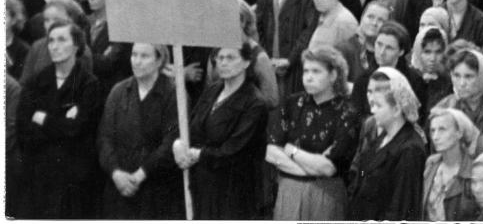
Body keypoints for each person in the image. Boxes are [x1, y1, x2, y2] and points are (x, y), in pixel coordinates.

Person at [174, 41, 270, 220]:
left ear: (246, 62)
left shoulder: (254, 103)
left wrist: (197, 155)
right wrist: (179, 145)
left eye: (231, 57)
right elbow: (193, 126)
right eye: (220, 58)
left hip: (233, 192)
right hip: (203, 186)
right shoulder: (212, 90)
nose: (223, 63)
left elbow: (234, 151)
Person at [17, 19, 102, 219]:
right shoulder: (35, 82)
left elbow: (78, 130)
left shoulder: (89, 84)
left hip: (74, 183)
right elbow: (24, 129)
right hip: (39, 178)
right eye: (51, 41)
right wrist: (62, 121)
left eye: (62, 40)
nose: (55, 46)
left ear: (76, 45)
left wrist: (43, 119)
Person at [266, 46, 360, 220]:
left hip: (326, 192)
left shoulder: (347, 112)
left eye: (316, 71)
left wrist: (291, 150)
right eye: (306, 71)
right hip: (289, 190)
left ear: (333, 75)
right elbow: (271, 152)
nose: (308, 77)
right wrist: (306, 171)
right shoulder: (292, 103)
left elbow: (328, 167)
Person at [97, 42, 184, 219]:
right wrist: (116, 173)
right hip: (118, 186)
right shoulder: (119, 91)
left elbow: (170, 143)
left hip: (155, 189)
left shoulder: (173, 94)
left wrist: (140, 175)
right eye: (134, 55)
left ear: (159, 61)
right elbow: (104, 137)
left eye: (144, 56)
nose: (137, 61)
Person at [345, 67, 427, 220]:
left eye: (378, 105)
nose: (372, 110)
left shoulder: (410, 149)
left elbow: (402, 207)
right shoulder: (378, 137)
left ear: (396, 109)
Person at [256, 0, 317, 97]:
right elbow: (258, 25)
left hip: (295, 62)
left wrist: (290, 59)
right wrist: (266, 57)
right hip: (270, 58)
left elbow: (309, 29)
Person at [423, 107, 481, 220]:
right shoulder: (431, 164)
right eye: (432, 130)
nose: (435, 137)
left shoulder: (474, 170)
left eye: (442, 129)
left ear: (459, 133)